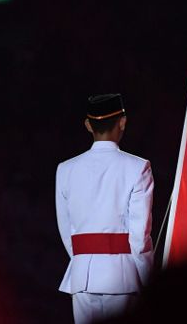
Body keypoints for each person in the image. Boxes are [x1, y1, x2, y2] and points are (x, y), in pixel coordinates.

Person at [56, 94, 154, 323]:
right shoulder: (138, 168)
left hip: (81, 276)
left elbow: (66, 229)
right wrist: (149, 278)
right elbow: (140, 237)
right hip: (121, 275)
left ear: (88, 125)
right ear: (123, 121)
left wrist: (86, 259)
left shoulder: (65, 169)